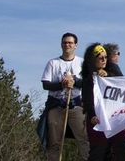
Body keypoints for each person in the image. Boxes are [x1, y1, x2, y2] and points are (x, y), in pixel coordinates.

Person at [41, 32, 89, 161]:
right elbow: (45, 84)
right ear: (61, 44)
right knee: (54, 142)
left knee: (84, 139)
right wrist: (62, 84)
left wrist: (75, 82)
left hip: (76, 106)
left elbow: (88, 83)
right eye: (65, 42)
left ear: (75, 45)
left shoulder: (82, 63)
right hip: (56, 105)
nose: (67, 45)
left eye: (70, 43)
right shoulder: (53, 63)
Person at [81, 43, 125, 161]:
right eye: (100, 57)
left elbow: (124, 84)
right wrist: (92, 115)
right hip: (98, 119)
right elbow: (87, 100)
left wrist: (108, 76)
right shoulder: (88, 79)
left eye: (106, 57)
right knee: (98, 152)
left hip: (115, 118)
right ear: (92, 59)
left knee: (121, 150)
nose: (104, 60)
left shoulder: (113, 70)